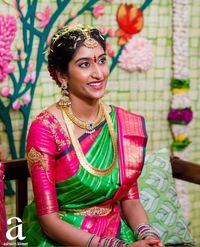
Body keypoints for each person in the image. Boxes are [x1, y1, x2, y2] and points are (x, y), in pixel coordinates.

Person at [23, 24, 164, 247]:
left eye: (101, 60)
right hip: (65, 238)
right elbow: (49, 221)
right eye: (84, 64)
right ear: (62, 75)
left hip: (117, 230)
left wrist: (147, 235)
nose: (99, 73)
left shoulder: (122, 123)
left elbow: (131, 200)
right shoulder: (45, 128)